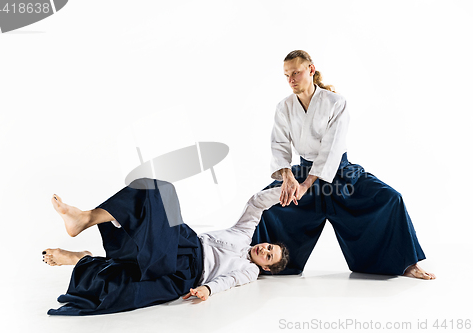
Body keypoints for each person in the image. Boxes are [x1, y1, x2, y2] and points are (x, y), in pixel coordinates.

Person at [252, 50, 435, 280]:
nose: (291, 80)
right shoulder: (284, 107)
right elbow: (279, 144)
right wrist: (288, 176)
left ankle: (406, 264)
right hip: (301, 172)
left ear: (311, 69)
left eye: (296, 73)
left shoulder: (335, 102)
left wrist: (307, 184)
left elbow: (331, 149)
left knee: (391, 199)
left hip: (340, 173)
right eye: (287, 75)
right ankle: (254, 264)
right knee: (264, 204)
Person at [43, 178, 289, 316]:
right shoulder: (244, 234)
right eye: (269, 246)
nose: (264, 250)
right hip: (188, 241)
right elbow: (257, 204)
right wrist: (285, 190)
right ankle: (85, 218)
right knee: (158, 189)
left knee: (124, 282)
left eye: (269, 256)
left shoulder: (250, 271)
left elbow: (230, 280)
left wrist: (208, 290)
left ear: (266, 268)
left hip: (186, 272)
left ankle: (83, 258)